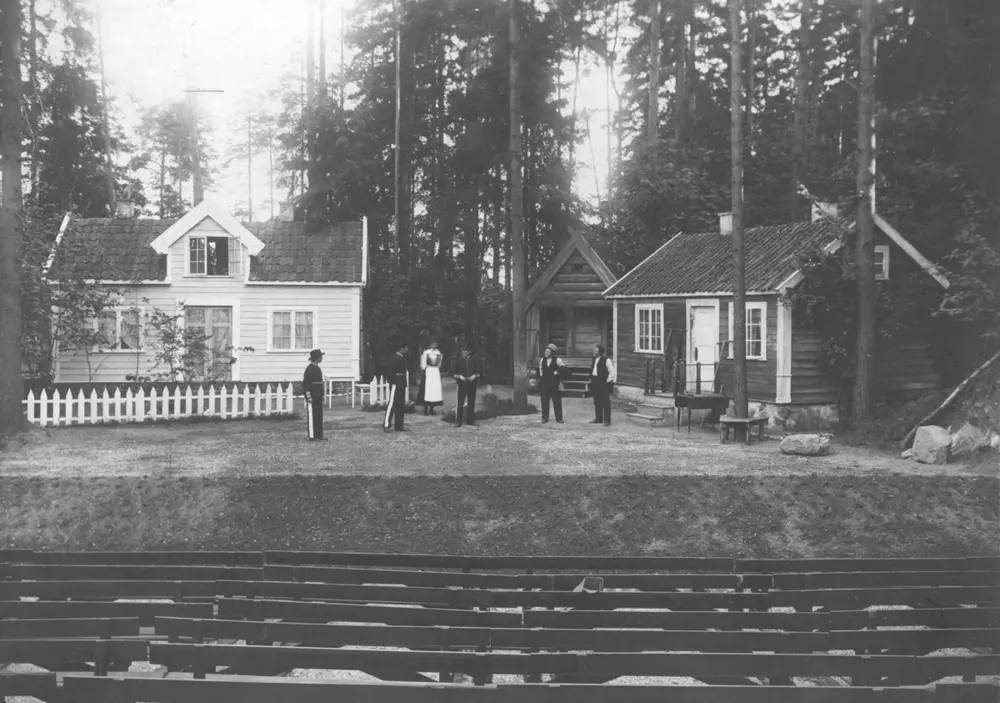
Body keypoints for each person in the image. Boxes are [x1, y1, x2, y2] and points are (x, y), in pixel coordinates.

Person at [303, 349, 328, 441]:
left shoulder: (318, 368)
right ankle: (312, 435)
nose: (322, 358)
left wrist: (322, 394)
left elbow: (320, 383)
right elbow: (306, 384)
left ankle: (319, 434)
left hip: (318, 395)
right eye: (320, 357)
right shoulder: (309, 369)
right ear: (316, 358)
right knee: (313, 415)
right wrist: (308, 396)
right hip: (312, 396)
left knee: (319, 415)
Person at [453, 343, 480, 427]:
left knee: (471, 402)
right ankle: (458, 421)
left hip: (471, 383)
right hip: (462, 383)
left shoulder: (474, 360)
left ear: (469, 352)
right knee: (460, 403)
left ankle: (470, 420)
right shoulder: (457, 361)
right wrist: (460, 376)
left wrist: (474, 376)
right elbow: (453, 374)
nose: (464, 352)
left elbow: (479, 372)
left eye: (466, 351)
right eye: (463, 351)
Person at [383, 344, 409, 432]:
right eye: (405, 348)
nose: (407, 349)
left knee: (400, 405)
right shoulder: (394, 358)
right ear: (401, 349)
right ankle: (386, 424)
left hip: (401, 382)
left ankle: (399, 425)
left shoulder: (401, 358)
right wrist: (392, 381)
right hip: (396, 382)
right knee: (392, 404)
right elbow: (390, 371)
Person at [589, 344, 617, 426]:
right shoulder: (594, 359)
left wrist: (607, 381)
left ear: (600, 352)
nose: (593, 352)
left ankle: (607, 420)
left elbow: (612, 372)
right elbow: (593, 369)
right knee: (597, 401)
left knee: (605, 402)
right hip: (595, 381)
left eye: (595, 351)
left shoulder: (606, 360)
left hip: (603, 382)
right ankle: (598, 418)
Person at [538, 343, 565, 424]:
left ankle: (559, 418)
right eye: (545, 351)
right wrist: (542, 376)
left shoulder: (558, 360)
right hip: (545, 384)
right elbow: (540, 369)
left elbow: (564, 368)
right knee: (544, 401)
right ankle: (545, 417)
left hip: (554, 384)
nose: (545, 353)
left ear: (552, 352)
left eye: (548, 351)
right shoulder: (542, 360)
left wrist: (557, 371)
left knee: (557, 402)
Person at [418, 340, 444, 415]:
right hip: (428, 372)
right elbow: (423, 364)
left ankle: (432, 408)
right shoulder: (426, 352)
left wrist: (438, 365)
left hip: (435, 372)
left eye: (435, 344)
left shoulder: (438, 353)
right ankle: (426, 409)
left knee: (434, 390)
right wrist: (424, 368)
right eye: (433, 344)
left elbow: (439, 364)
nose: (434, 345)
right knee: (427, 390)